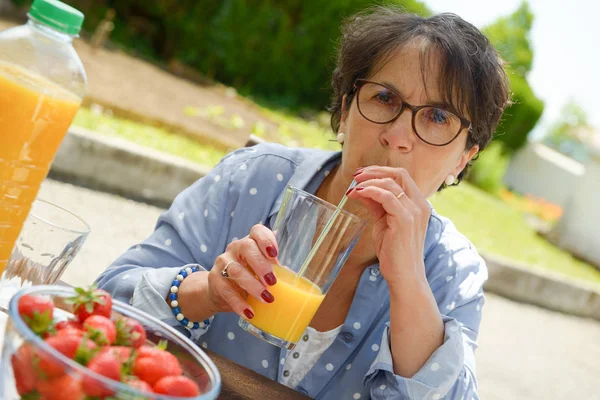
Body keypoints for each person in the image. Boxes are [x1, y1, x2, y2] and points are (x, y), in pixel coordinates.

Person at [96, 6, 509, 399]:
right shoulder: (254, 179)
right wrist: (208, 292)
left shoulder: (451, 271)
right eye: (384, 97)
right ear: (346, 111)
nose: (398, 136)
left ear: (463, 158)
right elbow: (103, 301)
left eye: (438, 117)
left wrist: (409, 285)